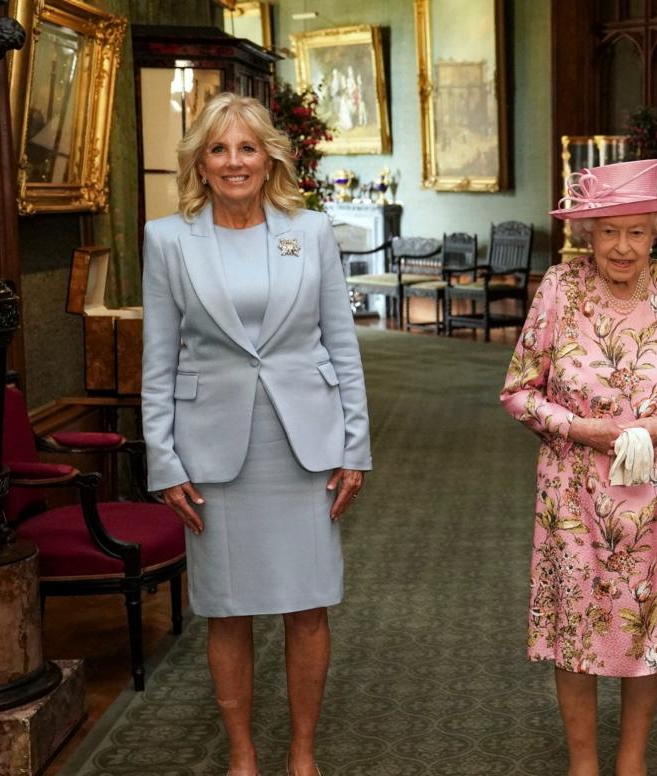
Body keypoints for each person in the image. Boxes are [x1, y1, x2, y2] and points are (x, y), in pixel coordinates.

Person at [141, 92, 371, 776]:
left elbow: (343, 344)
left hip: (304, 448)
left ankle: (302, 752)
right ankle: (243, 753)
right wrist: (164, 461)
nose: (234, 161)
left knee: (307, 606)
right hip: (213, 452)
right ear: (200, 164)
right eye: (218, 149)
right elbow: (158, 360)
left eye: (247, 147)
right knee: (228, 610)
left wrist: (355, 447)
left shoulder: (313, 230)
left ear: (268, 155)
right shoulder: (167, 240)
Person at [501, 159, 657, 776]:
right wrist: (581, 428)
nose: (622, 246)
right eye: (608, 231)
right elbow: (519, 391)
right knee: (576, 627)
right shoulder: (558, 288)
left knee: (649, 628)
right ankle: (583, 764)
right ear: (589, 232)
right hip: (573, 489)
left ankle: (632, 763)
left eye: (636, 231)